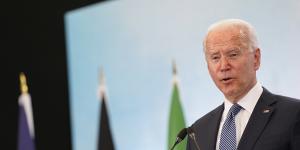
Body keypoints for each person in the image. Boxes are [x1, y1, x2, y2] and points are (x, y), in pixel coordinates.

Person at [186, 19, 300, 150]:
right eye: (215, 58)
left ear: (256, 58)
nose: (223, 66)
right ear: (207, 66)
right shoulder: (198, 132)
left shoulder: (293, 115)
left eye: (233, 55)